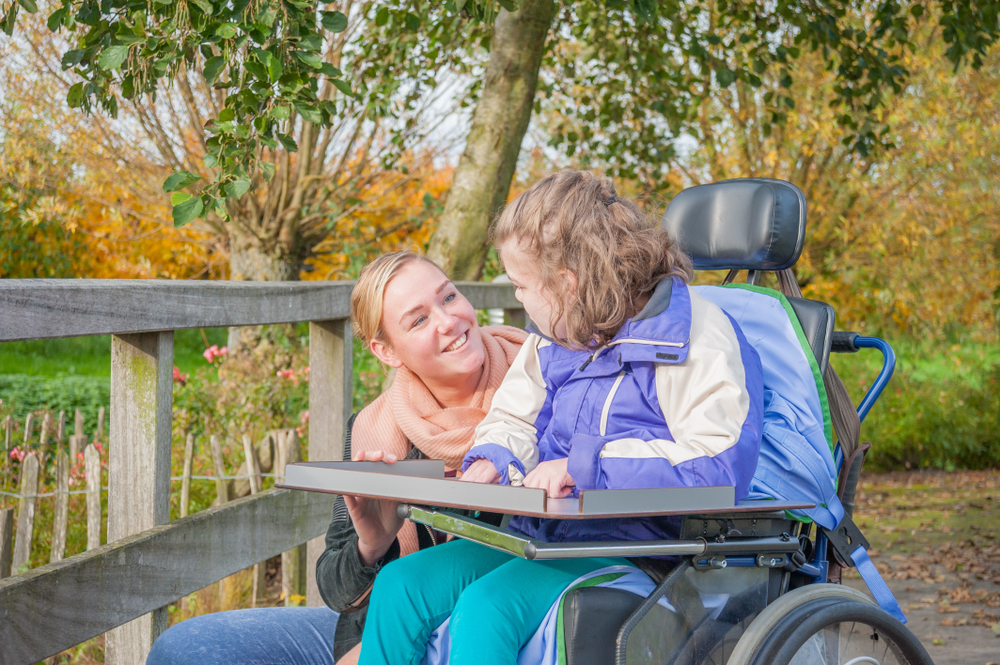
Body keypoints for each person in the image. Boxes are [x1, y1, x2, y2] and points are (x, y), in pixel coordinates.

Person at [355, 171, 765, 665]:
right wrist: (493, 458)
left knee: (488, 608)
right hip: (548, 539)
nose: (519, 301)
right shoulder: (556, 338)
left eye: (521, 286)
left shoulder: (695, 335)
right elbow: (514, 419)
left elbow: (718, 463)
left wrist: (583, 465)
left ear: (566, 285)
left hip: (648, 552)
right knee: (403, 584)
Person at [146, 251, 527, 665]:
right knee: (184, 648)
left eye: (449, 297)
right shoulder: (374, 427)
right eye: (418, 320)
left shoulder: (541, 388)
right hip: (380, 628)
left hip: (491, 625)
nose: (449, 320)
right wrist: (373, 544)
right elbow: (337, 590)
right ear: (387, 351)